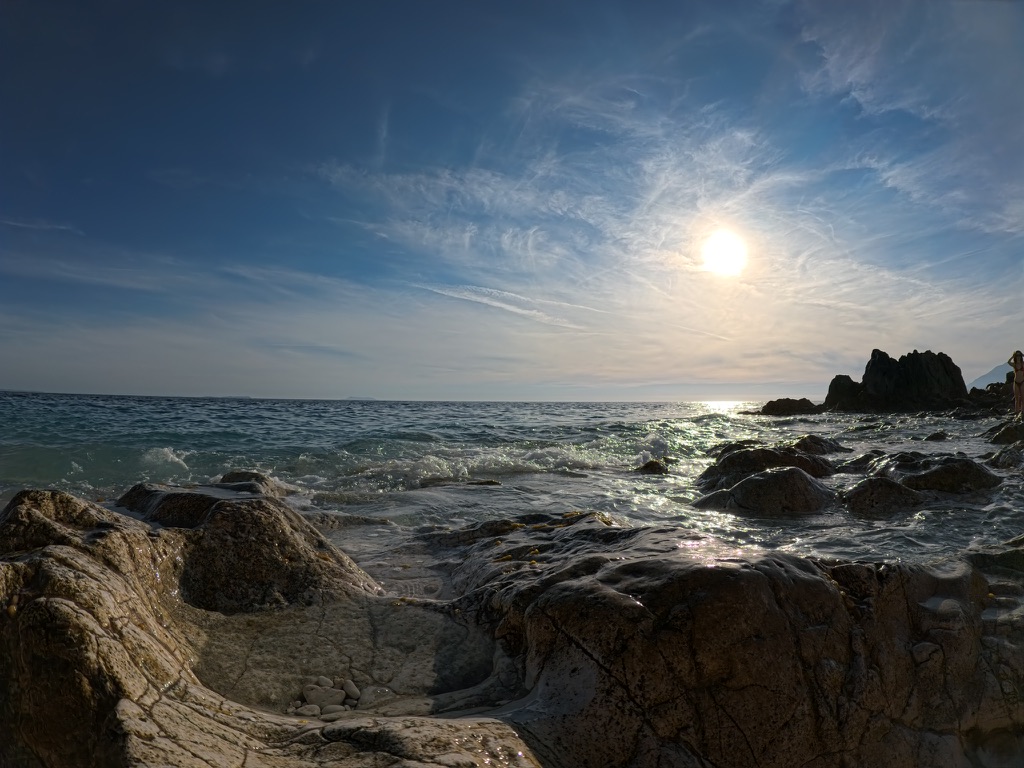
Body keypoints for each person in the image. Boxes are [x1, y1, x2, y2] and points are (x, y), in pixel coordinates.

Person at [1010, 350, 1024, 416]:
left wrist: (1023, 355)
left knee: (1023, 398)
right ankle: (1017, 413)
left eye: (1019, 355)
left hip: (1022, 382)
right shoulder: (1014, 364)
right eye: (1017, 355)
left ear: (1021, 356)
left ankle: (1022, 412)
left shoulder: (1023, 364)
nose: (1018, 357)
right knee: (1016, 399)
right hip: (1016, 382)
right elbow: (1008, 362)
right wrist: (1012, 357)